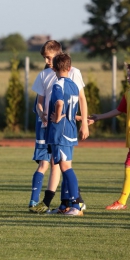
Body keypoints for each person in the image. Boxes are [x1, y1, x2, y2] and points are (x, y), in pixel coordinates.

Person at [29, 40, 89, 214]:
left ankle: (75, 202)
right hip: (56, 127)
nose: (47, 61)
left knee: (62, 165)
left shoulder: (67, 77)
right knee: (59, 164)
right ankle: (64, 204)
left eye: (49, 58)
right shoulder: (46, 75)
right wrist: (42, 115)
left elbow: (75, 100)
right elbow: (40, 103)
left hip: (60, 128)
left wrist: (83, 121)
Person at [45, 53, 83, 216]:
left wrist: (58, 115)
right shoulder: (74, 85)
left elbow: (59, 103)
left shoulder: (57, 85)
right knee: (65, 165)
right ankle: (66, 205)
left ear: (54, 67)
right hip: (71, 130)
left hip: (60, 132)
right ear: (69, 68)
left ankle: (77, 204)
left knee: (65, 167)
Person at [89, 64, 130, 210]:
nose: (128, 77)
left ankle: (122, 202)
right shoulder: (128, 92)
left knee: (128, 165)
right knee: (128, 165)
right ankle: (122, 201)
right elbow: (119, 110)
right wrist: (98, 117)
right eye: (127, 74)